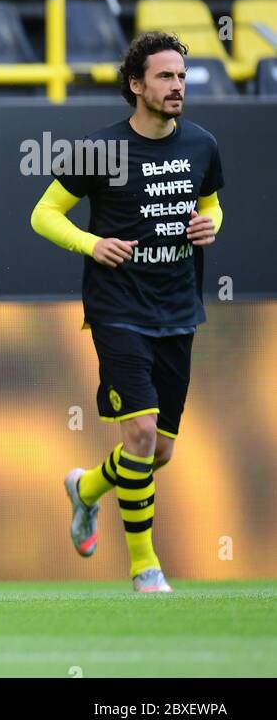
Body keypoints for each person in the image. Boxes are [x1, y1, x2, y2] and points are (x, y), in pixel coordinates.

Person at [31, 31, 223, 593]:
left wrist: (213, 225)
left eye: (182, 77)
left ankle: (87, 488)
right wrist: (92, 244)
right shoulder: (99, 151)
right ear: (136, 85)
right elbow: (44, 214)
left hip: (179, 308)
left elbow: (211, 204)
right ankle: (146, 568)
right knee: (138, 433)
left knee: (158, 451)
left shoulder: (202, 145)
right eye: (165, 77)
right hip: (118, 309)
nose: (177, 86)